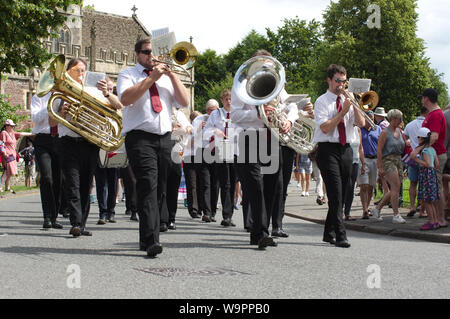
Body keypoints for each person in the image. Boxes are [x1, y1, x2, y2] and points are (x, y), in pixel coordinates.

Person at [117, 38, 189, 257]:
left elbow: (184, 102)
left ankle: (145, 236)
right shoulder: (128, 74)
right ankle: (152, 240)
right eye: (147, 52)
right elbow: (126, 99)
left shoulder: (166, 78)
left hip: (164, 137)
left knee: (160, 188)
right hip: (139, 138)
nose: (151, 55)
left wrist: (172, 75)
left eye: (154, 52)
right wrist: (152, 79)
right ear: (138, 54)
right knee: (148, 184)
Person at [231, 49, 293, 250]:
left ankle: (260, 232)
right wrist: (260, 115)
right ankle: (261, 233)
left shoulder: (275, 82)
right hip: (249, 137)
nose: (264, 69)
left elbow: (291, 105)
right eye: (260, 65)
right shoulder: (241, 86)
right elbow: (235, 115)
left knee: (271, 186)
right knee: (255, 187)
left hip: (272, 139)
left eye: (267, 65)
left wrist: (288, 121)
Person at [313, 64, 365, 248]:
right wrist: (342, 111)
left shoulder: (348, 100)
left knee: (343, 193)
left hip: (346, 149)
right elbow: (325, 127)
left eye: (344, 81)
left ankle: (329, 232)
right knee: (335, 193)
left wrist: (355, 106)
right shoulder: (322, 101)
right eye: (337, 81)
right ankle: (341, 235)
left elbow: (361, 123)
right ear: (329, 80)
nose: (341, 85)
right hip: (327, 150)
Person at [204, 89, 237, 227]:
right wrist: (215, 131)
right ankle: (226, 215)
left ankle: (230, 214)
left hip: (236, 149)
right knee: (225, 183)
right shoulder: (216, 114)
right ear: (222, 100)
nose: (228, 101)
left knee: (233, 182)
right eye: (226, 99)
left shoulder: (238, 113)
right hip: (222, 147)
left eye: (230, 99)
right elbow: (206, 131)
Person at [371, 109, 406, 224]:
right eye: (399, 118)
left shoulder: (400, 131)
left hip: (398, 160)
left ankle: (377, 209)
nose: (401, 121)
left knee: (395, 188)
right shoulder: (385, 132)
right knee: (395, 186)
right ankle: (396, 214)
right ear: (393, 119)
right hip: (388, 160)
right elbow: (379, 150)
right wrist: (380, 166)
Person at [420, 88, 448, 228]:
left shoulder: (436, 115)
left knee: (436, 188)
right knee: (436, 187)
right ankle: (437, 218)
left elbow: (434, 136)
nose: (421, 100)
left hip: (435, 155)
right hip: (433, 154)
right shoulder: (433, 114)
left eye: (422, 97)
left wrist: (419, 149)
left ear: (426, 99)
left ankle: (440, 219)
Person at [195, 99, 220, 223]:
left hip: (217, 151)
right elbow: (191, 137)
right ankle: (206, 212)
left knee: (215, 183)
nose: (213, 113)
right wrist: (200, 129)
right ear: (206, 111)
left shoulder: (221, 118)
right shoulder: (199, 120)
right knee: (205, 183)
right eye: (211, 111)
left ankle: (213, 212)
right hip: (203, 151)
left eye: (215, 110)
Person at [410, 127, 440, 230]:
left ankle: (431, 221)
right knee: (431, 201)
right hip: (432, 174)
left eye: (418, 138)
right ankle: (435, 221)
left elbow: (426, 164)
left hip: (426, 174)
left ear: (421, 139)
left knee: (426, 200)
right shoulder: (432, 149)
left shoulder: (425, 150)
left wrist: (417, 161)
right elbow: (437, 164)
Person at [403, 107, 427, 217]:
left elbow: (404, 138)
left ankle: (412, 206)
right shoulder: (428, 124)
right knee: (424, 184)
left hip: (413, 157)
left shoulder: (410, 125)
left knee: (413, 183)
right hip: (424, 157)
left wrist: (410, 144)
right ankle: (422, 208)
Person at [358, 111, 382, 219]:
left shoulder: (378, 129)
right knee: (364, 185)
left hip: (375, 159)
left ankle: (367, 206)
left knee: (371, 185)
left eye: (372, 119)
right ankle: (364, 210)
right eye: (368, 119)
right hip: (364, 159)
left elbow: (382, 144)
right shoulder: (359, 129)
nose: (370, 121)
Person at [0, 120, 32, 193]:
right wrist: (4, 152)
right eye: (11, 126)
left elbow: (22, 134)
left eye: (13, 126)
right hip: (7, 155)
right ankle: (0, 187)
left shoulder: (13, 133)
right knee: (6, 171)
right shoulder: (3, 133)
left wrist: (33, 133)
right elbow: (1, 143)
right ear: (6, 126)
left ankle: (7, 187)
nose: (12, 127)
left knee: (10, 172)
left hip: (13, 155)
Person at [183, 111, 202, 219]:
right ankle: (193, 209)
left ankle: (201, 207)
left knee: (201, 183)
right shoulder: (188, 129)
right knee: (192, 183)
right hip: (189, 157)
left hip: (201, 156)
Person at [343, 125, 365, 221]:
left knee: (351, 189)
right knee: (347, 186)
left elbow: (360, 148)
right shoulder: (344, 128)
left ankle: (347, 213)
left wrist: (363, 163)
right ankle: (339, 211)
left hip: (355, 162)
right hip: (345, 161)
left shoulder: (358, 130)